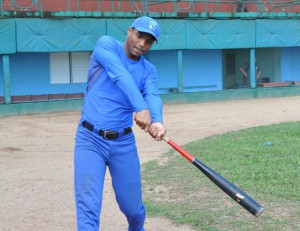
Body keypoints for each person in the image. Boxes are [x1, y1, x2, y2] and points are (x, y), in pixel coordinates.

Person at [73, 16, 167, 231]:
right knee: (88, 206)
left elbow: (152, 95)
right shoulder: (106, 45)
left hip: (123, 144)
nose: (142, 43)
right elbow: (120, 75)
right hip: (90, 140)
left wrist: (158, 121)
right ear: (129, 31)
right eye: (139, 35)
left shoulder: (149, 70)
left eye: (149, 41)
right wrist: (140, 107)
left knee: (133, 210)